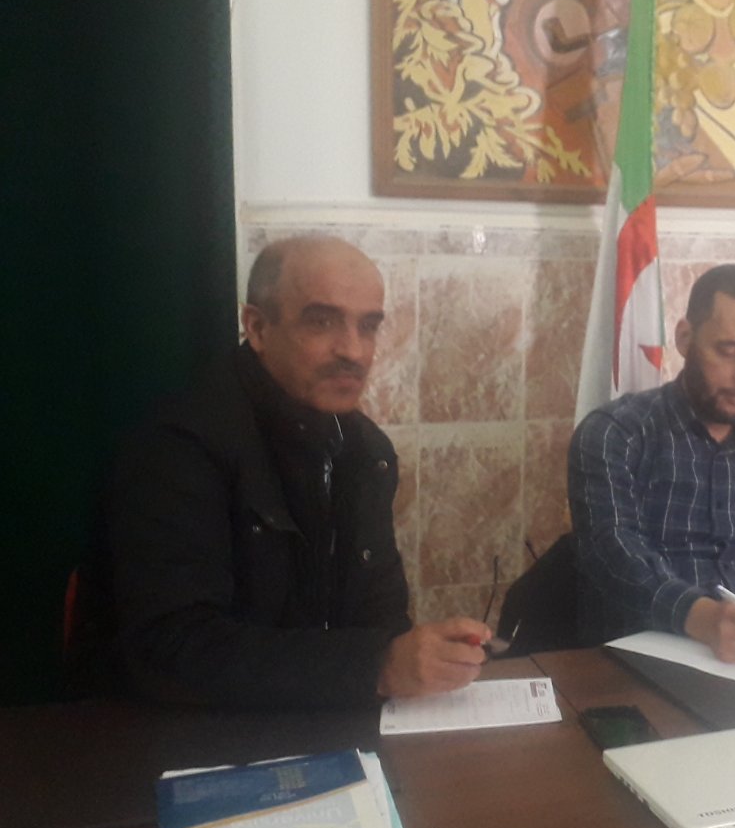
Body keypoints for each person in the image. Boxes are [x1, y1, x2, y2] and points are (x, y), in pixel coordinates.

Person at [86, 237, 492, 709]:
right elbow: (172, 648)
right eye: (321, 322)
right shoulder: (180, 446)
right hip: (186, 733)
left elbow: (380, 618)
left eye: (368, 326)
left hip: (322, 722)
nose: (354, 351)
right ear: (257, 328)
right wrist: (378, 665)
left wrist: (416, 660)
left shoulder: (367, 451)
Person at [568, 264, 735, 662]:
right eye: (728, 352)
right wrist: (704, 618)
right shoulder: (616, 433)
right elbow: (613, 556)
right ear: (685, 338)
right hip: (640, 655)